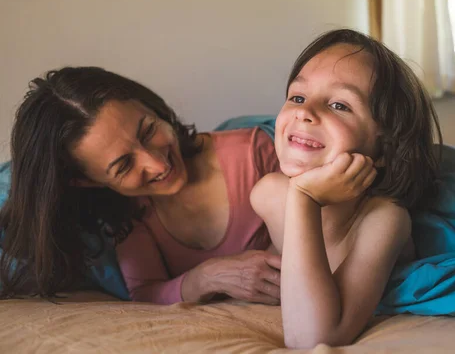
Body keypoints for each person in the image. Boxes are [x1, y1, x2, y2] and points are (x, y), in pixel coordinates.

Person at [0, 67, 281, 305]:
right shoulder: (126, 215)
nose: (158, 164)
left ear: (152, 108)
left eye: (148, 131)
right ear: (86, 182)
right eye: (123, 166)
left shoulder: (254, 151)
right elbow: (146, 293)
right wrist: (208, 276)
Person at [251, 29, 442, 348]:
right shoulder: (267, 194)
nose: (304, 112)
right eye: (298, 97)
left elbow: (311, 337)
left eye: (339, 105)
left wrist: (304, 197)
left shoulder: (384, 219)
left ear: (384, 148)